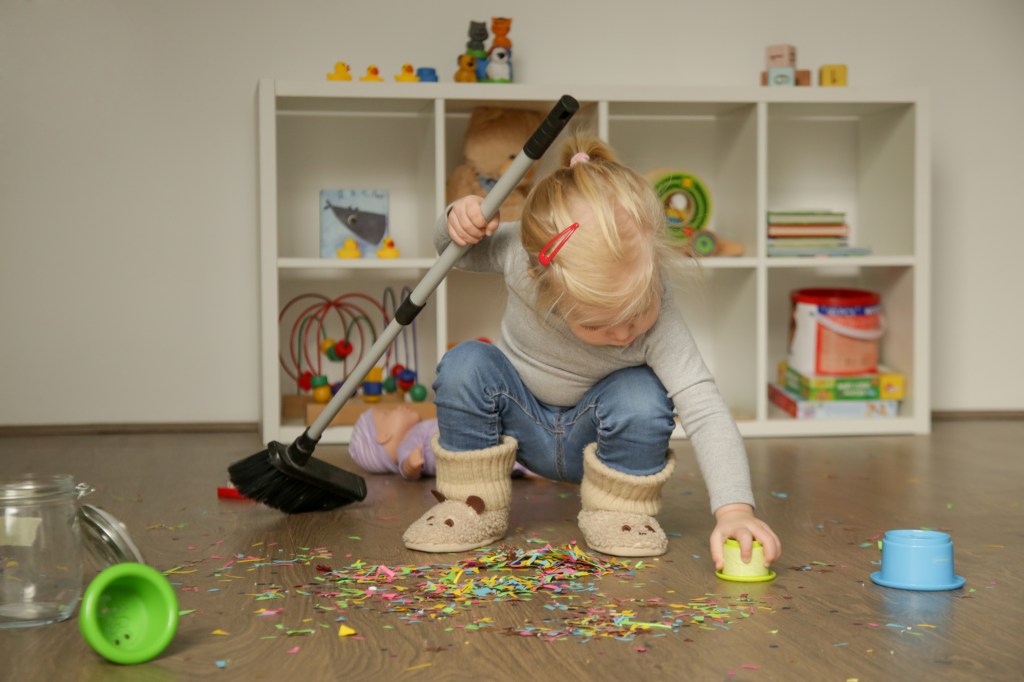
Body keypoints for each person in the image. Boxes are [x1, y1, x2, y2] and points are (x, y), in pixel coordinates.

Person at [402, 132, 781, 570]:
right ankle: (470, 506)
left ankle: (620, 513)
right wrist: (457, 218)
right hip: (517, 423)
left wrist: (735, 510)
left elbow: (705, 409)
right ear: (538, 280)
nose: (626, 334)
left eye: (638, 312)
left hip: (600, 442)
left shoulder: (659, 308)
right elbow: (452, 251)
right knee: (466, 362)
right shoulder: (525, 258)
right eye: (599, 323)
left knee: (643, 391)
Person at [348, 405, 532, 480]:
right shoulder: (407, 444)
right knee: (506, 453)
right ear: (383, 436)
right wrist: (411, 466)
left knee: (507, 451)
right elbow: (405, 468)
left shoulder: (416, 432)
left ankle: (527, 465)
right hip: (467, 451)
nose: (398, 407)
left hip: (472, 444)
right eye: (387, 413)